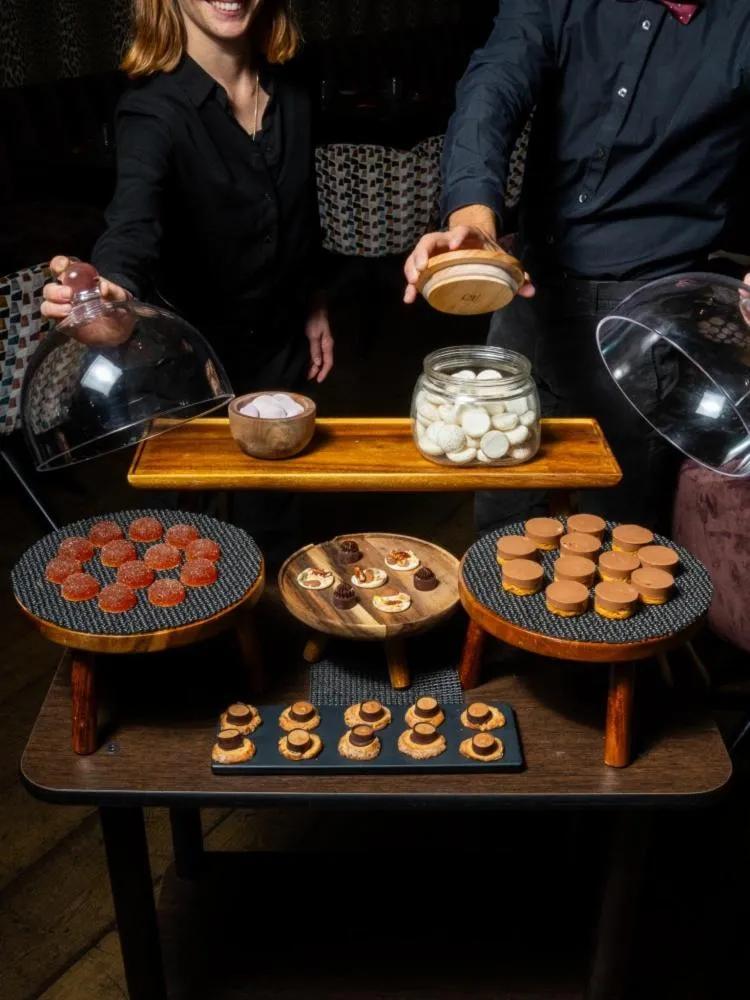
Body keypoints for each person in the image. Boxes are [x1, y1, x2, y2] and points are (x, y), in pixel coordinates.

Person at [404, 0, 750, 535]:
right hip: (527, 288)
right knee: (502, 511)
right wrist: (474, 215)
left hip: (650, 317)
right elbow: (494, 82)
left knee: (617, 539)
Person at [42, 0, 333, 561]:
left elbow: (301, 212)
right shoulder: (151, 110)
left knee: (276, 523)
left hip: (277, 348)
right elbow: (131, 227)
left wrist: (313, 301)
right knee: (185, 543)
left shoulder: (294, 86)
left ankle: (280, 639)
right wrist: (109, 294)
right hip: (183, 367)